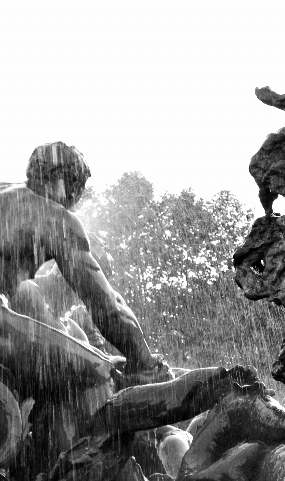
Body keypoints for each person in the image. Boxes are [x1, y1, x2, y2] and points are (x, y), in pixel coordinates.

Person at [0, 142, 165, 377]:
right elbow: (107, 306)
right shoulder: (56, 218)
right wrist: (144, 360)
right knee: (100, 372)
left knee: (95, 361)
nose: (76, 200)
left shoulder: (6, 191)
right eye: (78, 188)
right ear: (66, 181)